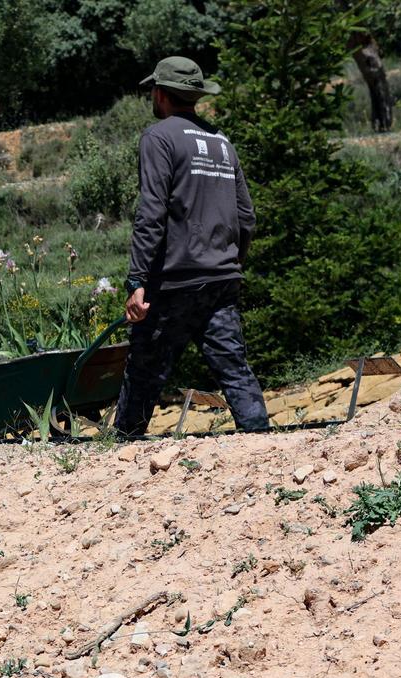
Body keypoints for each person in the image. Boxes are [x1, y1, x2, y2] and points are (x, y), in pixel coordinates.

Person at [113, 56, 270, 436]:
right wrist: (231, 263)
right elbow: (246, 215)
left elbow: (151, 212)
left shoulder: (159, 137)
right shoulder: (220, 141)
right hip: (221, 279)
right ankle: (263, 442)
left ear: (162, 94)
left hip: (175, 281)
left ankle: (120, 451)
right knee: (233, 367)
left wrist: (137, 280)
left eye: (154, 89)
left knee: (145, 369)